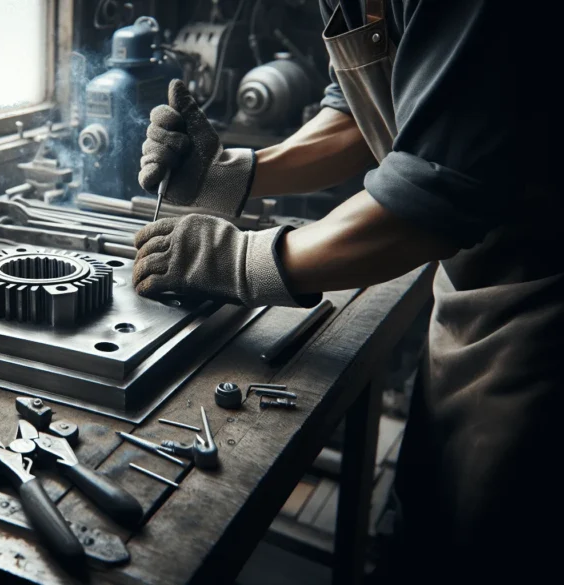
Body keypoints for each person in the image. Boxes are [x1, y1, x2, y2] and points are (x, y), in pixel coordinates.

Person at [135, 0, 559, 582]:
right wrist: (230, 173)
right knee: (428, 515)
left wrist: (239, 257)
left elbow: (428, 204)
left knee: (491, 548)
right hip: (471, 292)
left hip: (539, 315)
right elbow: (360, 120)